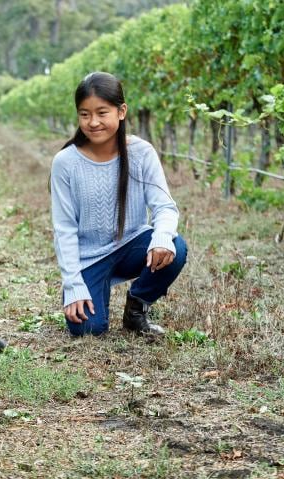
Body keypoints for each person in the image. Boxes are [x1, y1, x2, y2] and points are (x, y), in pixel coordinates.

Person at [50, 71, 188, 337]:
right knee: (88, 328)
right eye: (84, 114)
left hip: (131, 245)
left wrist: (161, 237)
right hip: (88, 259)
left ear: (121, 111)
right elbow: (64, 228)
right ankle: (88, 289)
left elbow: (164, 207)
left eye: (102, 113)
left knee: (175, 247)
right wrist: (72, 284)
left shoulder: (141, 152)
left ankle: (137, 307)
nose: (93, 122)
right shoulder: (65, 162)